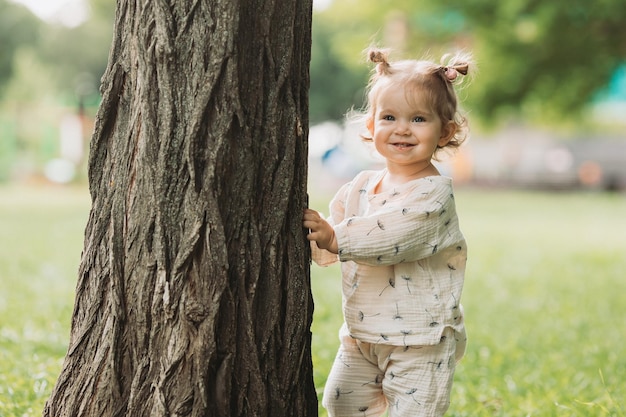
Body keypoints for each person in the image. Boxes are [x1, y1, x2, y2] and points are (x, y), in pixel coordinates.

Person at [303, 47, 473, 416]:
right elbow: (335, 229)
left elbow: (394, 237)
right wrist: (319, 240)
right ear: (370, 127)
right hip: (362, 335)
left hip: (421, 341)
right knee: (341, 402)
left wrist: (335, 237)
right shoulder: (361, 184)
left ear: (446, 132)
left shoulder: (434, 193)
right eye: (389, 117)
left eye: (418, 119)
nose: (402, 128)